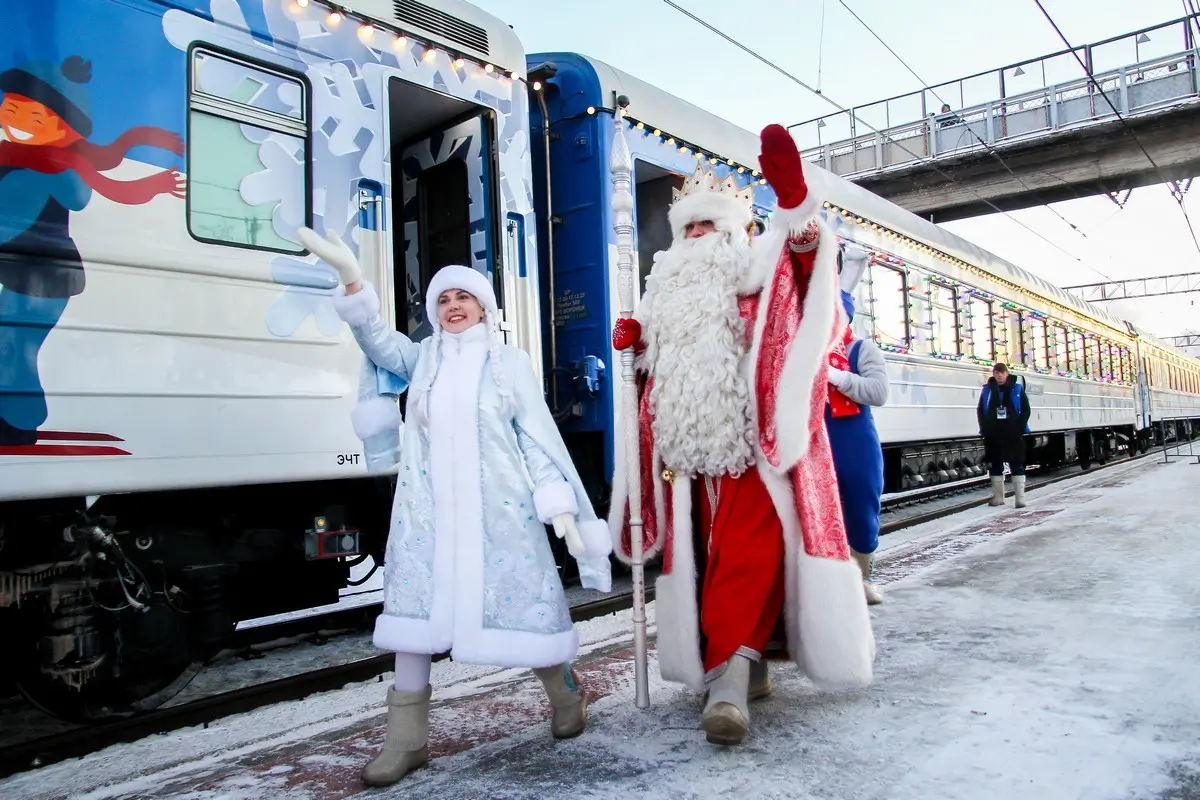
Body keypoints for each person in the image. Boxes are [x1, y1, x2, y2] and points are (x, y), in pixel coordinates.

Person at [298, 226, 614, 786]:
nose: (452, 307)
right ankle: (406, 742)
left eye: (462, 296)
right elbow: (374, 339)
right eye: (442, 299)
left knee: (525, 613)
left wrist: (558, 505)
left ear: (484, 307)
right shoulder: (421, 360)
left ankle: (566, 697)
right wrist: (353, 279)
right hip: (429, 518)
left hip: (501, 515)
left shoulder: (509, 363)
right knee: (411, 623)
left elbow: (533, 438)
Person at [608, 124, 875, 746]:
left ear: (733, 233)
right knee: (704, 564)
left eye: (709, 227)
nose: (698, 238)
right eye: (689, 229)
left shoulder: (757, 280)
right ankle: (739, 665)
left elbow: (810, 284)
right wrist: (638, 345)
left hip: (755, 449)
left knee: (746, 561)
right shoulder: (665, 295)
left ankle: (728, 687)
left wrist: (798, 211)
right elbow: (655, 368)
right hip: (684, 463)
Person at [826, 244, 889, 605]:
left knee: (863, 503)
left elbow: (878, 391)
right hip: (816, 439)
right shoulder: (804, 352)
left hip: (855, 439)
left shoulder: (861, 350)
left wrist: (839, 378)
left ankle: (862, 576)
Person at [977, 362, 1031, 508]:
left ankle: (1020, 498)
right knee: (995, 464)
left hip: (1012, 431)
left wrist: (1019, 427)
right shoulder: (987, 390)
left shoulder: (1017, 388)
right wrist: (985, 428)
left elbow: (1026, 410)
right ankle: (998, 497)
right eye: (996, 373)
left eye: (1001, 372)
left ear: (1007, 374)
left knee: (1016, 463)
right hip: (994, 433)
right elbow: (981, 410)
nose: (999, 375)